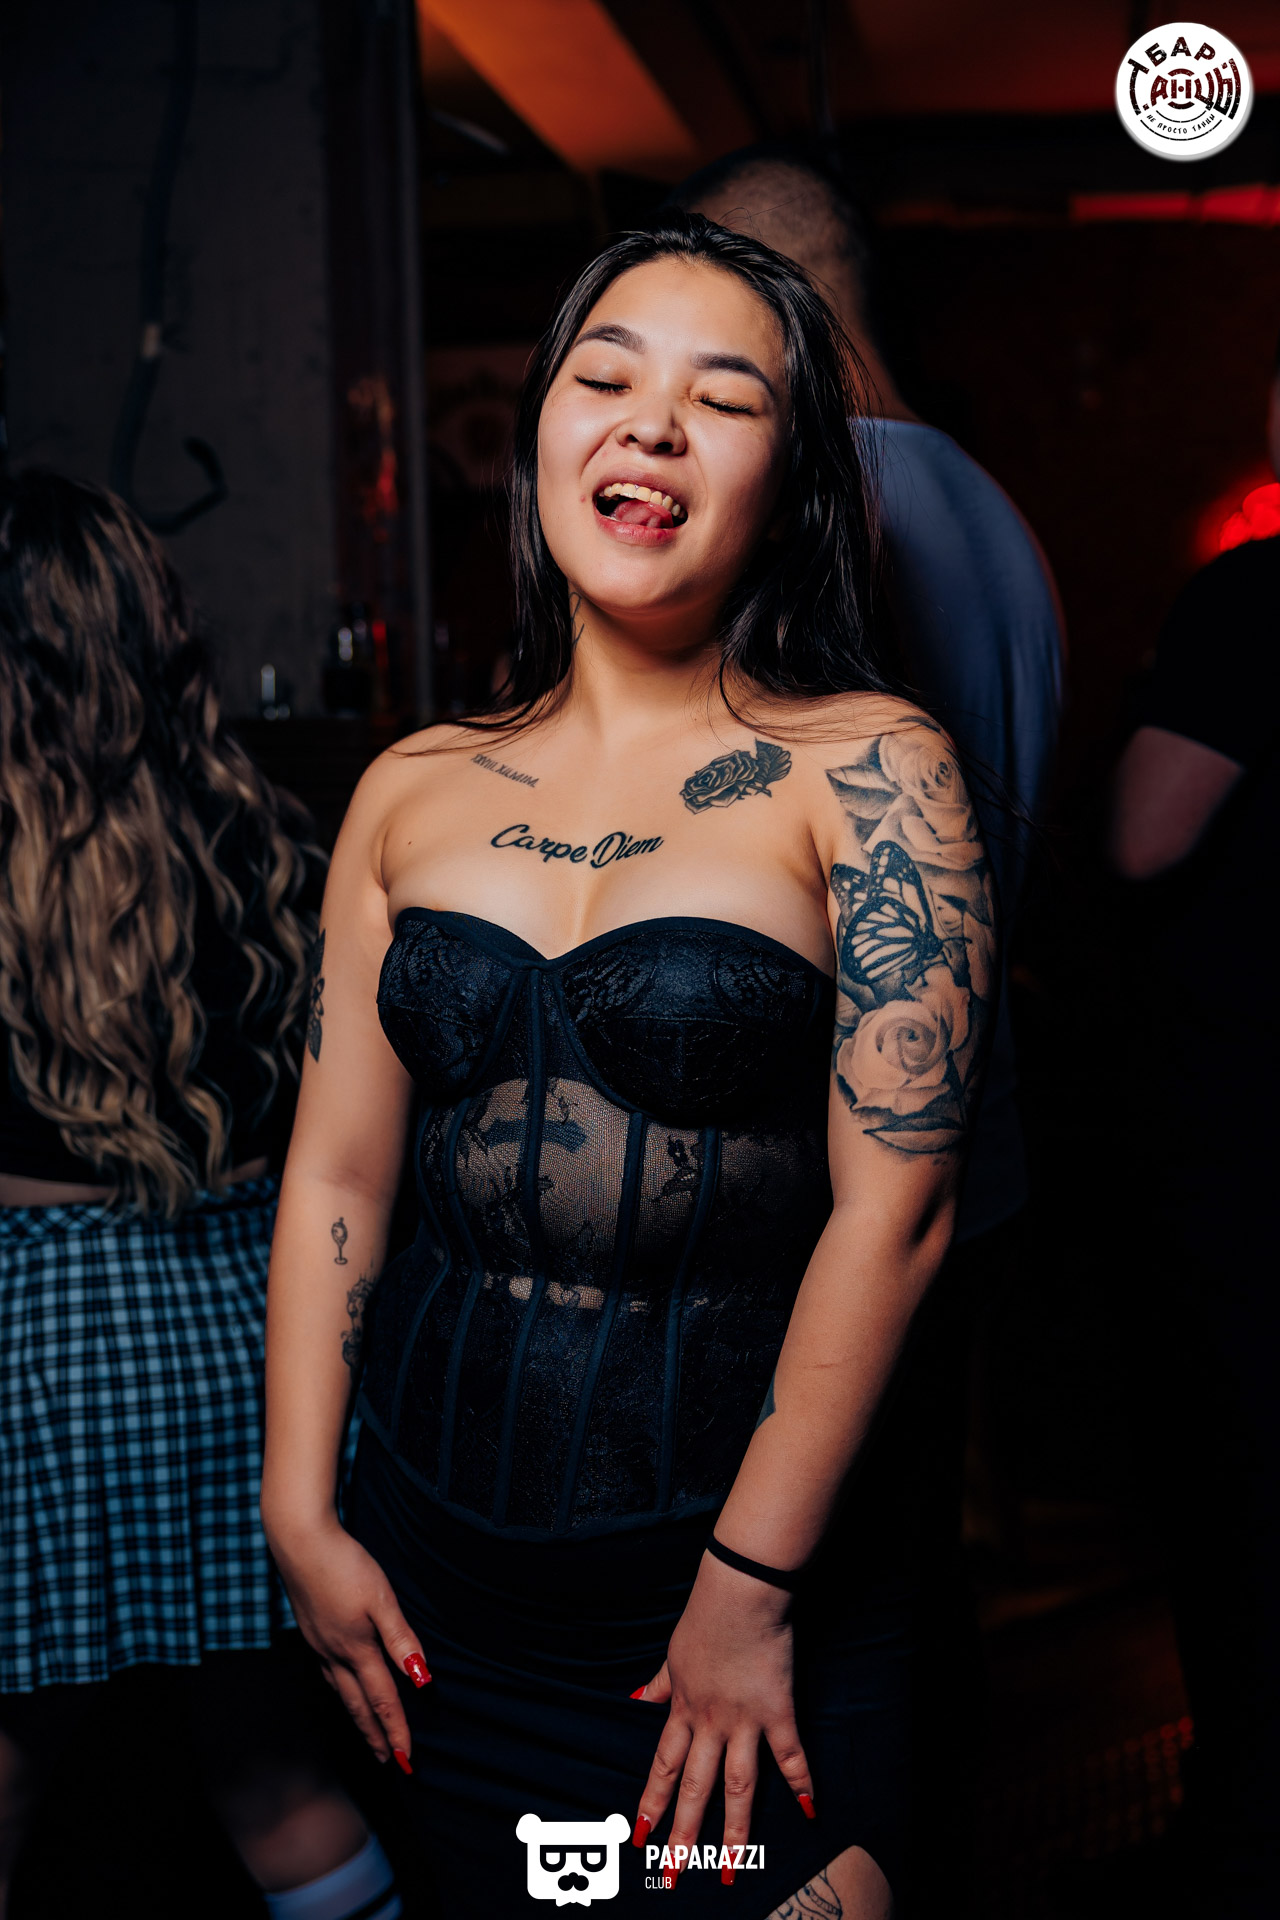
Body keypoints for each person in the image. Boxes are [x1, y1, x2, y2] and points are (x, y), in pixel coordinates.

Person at [262, 213, 997, 1918]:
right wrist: (300, 1510)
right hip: (435, 1589)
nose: (651, 424)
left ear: (786, 483)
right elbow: (338, 1176)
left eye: (721, 399)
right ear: (540, 432)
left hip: (736, 1609)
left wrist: (749, 1588)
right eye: (605, 378)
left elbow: (898, 1212)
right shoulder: (411, 787)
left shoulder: (870, 770)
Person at [0, 473, 401, 1920]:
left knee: (11, 1760)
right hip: (246, 1326)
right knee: (265, 1761)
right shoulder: (265, 841)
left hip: (44, 1336)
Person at [1110, 358, 1280, 1919]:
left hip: (1246, 1133)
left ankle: (1239, 1845)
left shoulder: (1251, 600)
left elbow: (1144, 834)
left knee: (1238, 1498)